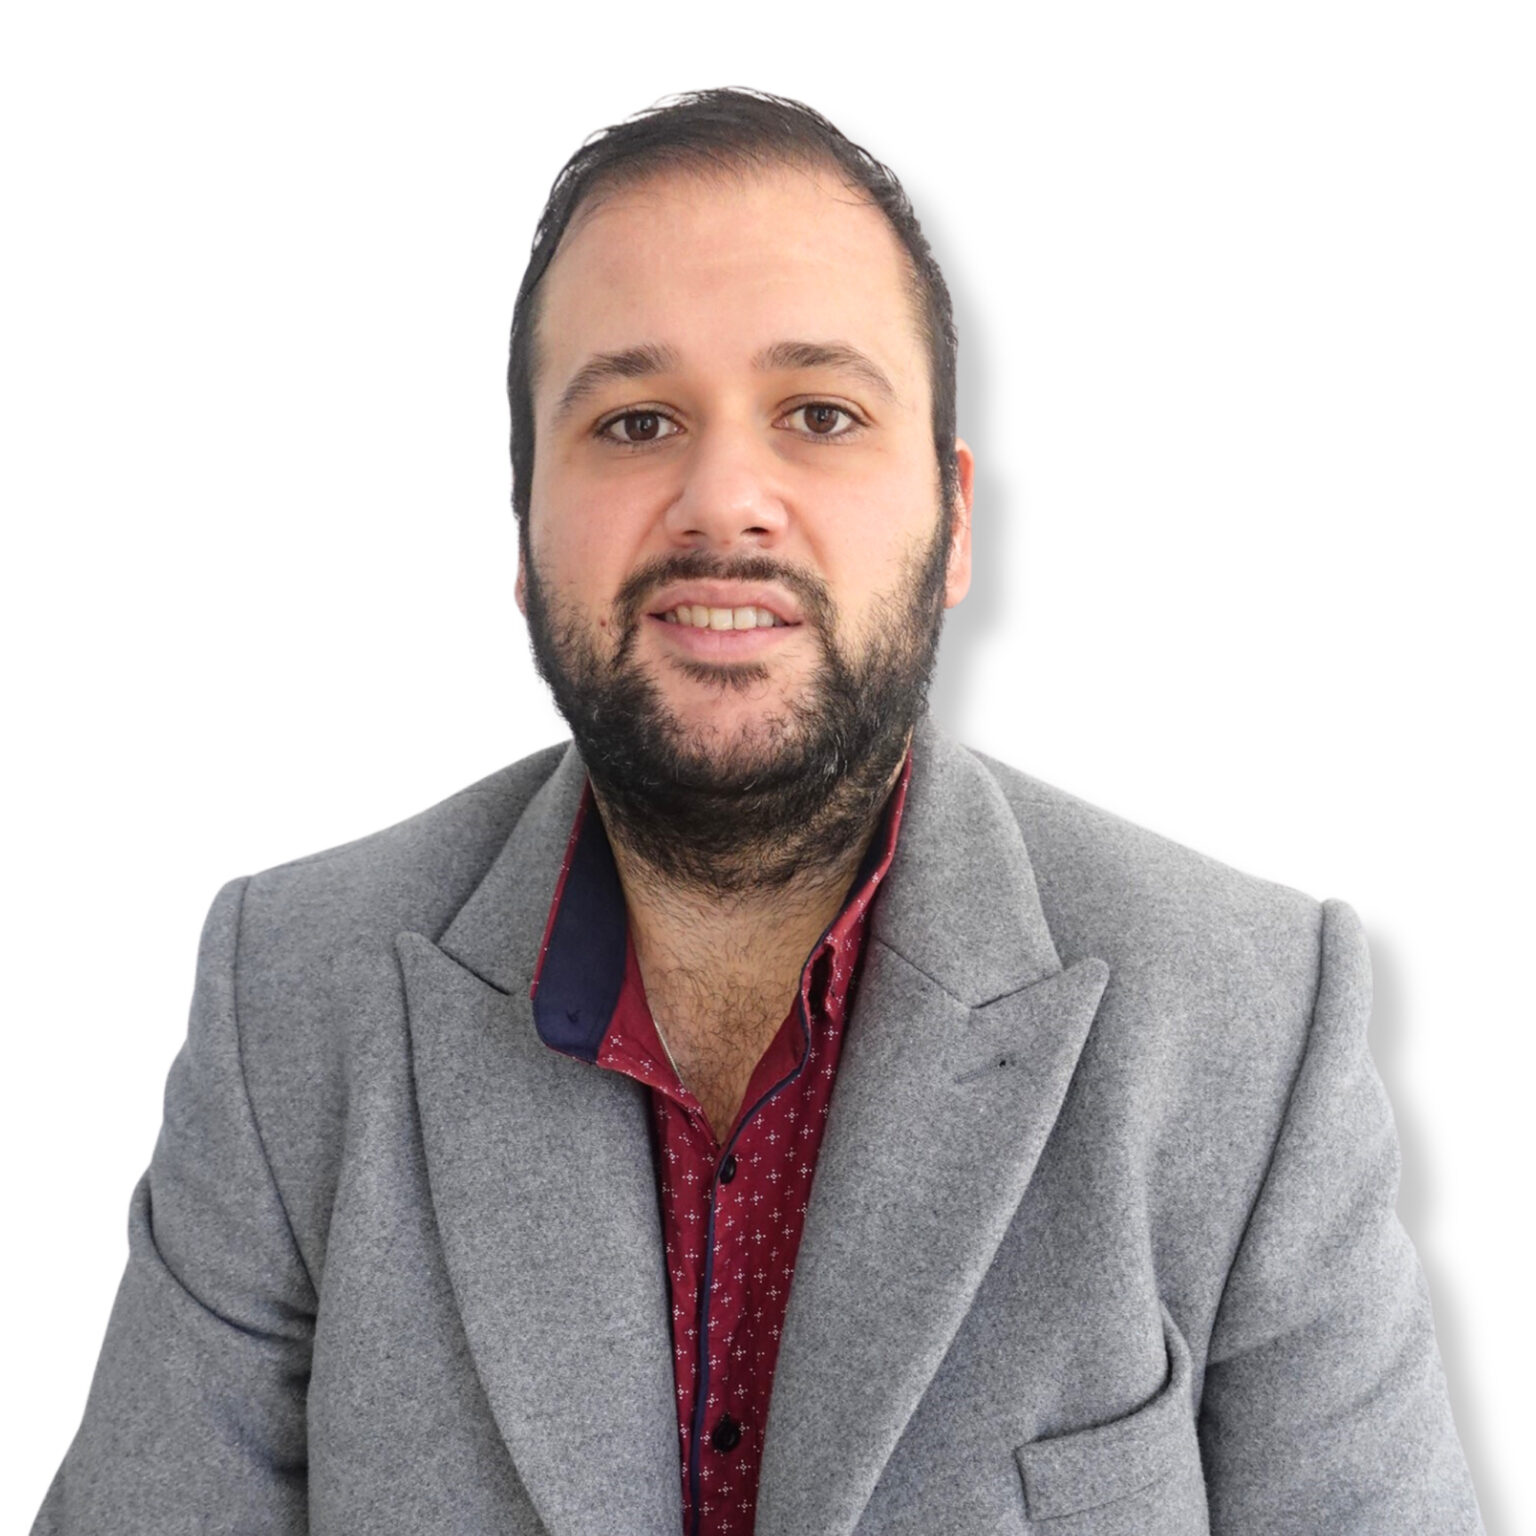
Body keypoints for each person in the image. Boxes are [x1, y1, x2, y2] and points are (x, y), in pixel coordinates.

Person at [35, 88, 1483, 1536]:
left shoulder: (1246, 1028)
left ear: (955, 520)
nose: (725, 498)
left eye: (821, 414)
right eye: (635, 419)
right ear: (527, 534)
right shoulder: (291, 999)